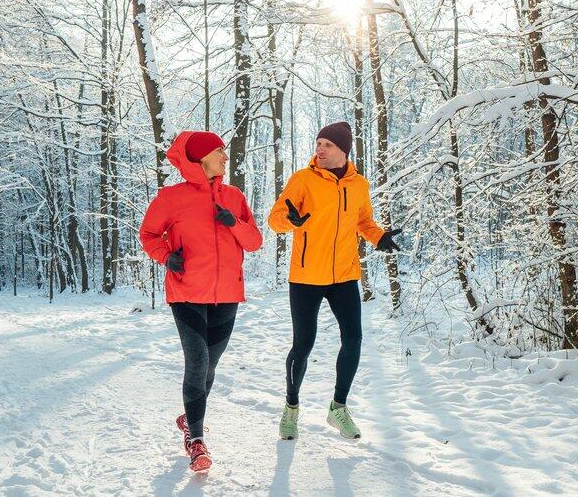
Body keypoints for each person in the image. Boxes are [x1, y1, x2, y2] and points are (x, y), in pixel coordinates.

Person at [268, 121, 402, 440]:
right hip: (306, 277)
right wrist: (290, 220)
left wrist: (378, 237)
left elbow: (363, 220)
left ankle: (338, 408)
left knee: (353, 339)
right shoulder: (302, 180)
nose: (320, 149)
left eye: (327, 144)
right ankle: (291, 408)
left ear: (343, 150)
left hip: (343, 275)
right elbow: (275, 220)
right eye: (318, 143)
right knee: (303, 345)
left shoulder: (359, 185)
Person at [139, 131, 262, 472]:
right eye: (220, 151)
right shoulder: (171, 197)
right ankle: (196, 441)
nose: (226, 157)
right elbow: (148, 234)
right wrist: (166, 257)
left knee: (209, 365)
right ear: (202, 157)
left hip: (226, 294)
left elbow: (254, 242)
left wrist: (233, 221)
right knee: (197, 360)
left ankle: (189, 416)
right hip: (187, 291)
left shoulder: (233, 196)